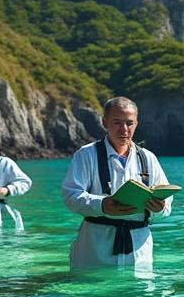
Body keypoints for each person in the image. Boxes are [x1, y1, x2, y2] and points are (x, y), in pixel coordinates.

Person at [61, 96, 172, 274]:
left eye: (129, 123)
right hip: (95, 252)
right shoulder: (86, 155)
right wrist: (102, 205)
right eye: (117, 122)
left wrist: (159, 208)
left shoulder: (148, 158)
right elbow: (70, 196)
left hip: (139, 254)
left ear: (136, 123)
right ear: (105, 123)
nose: (124, 129)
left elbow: (167, 207)